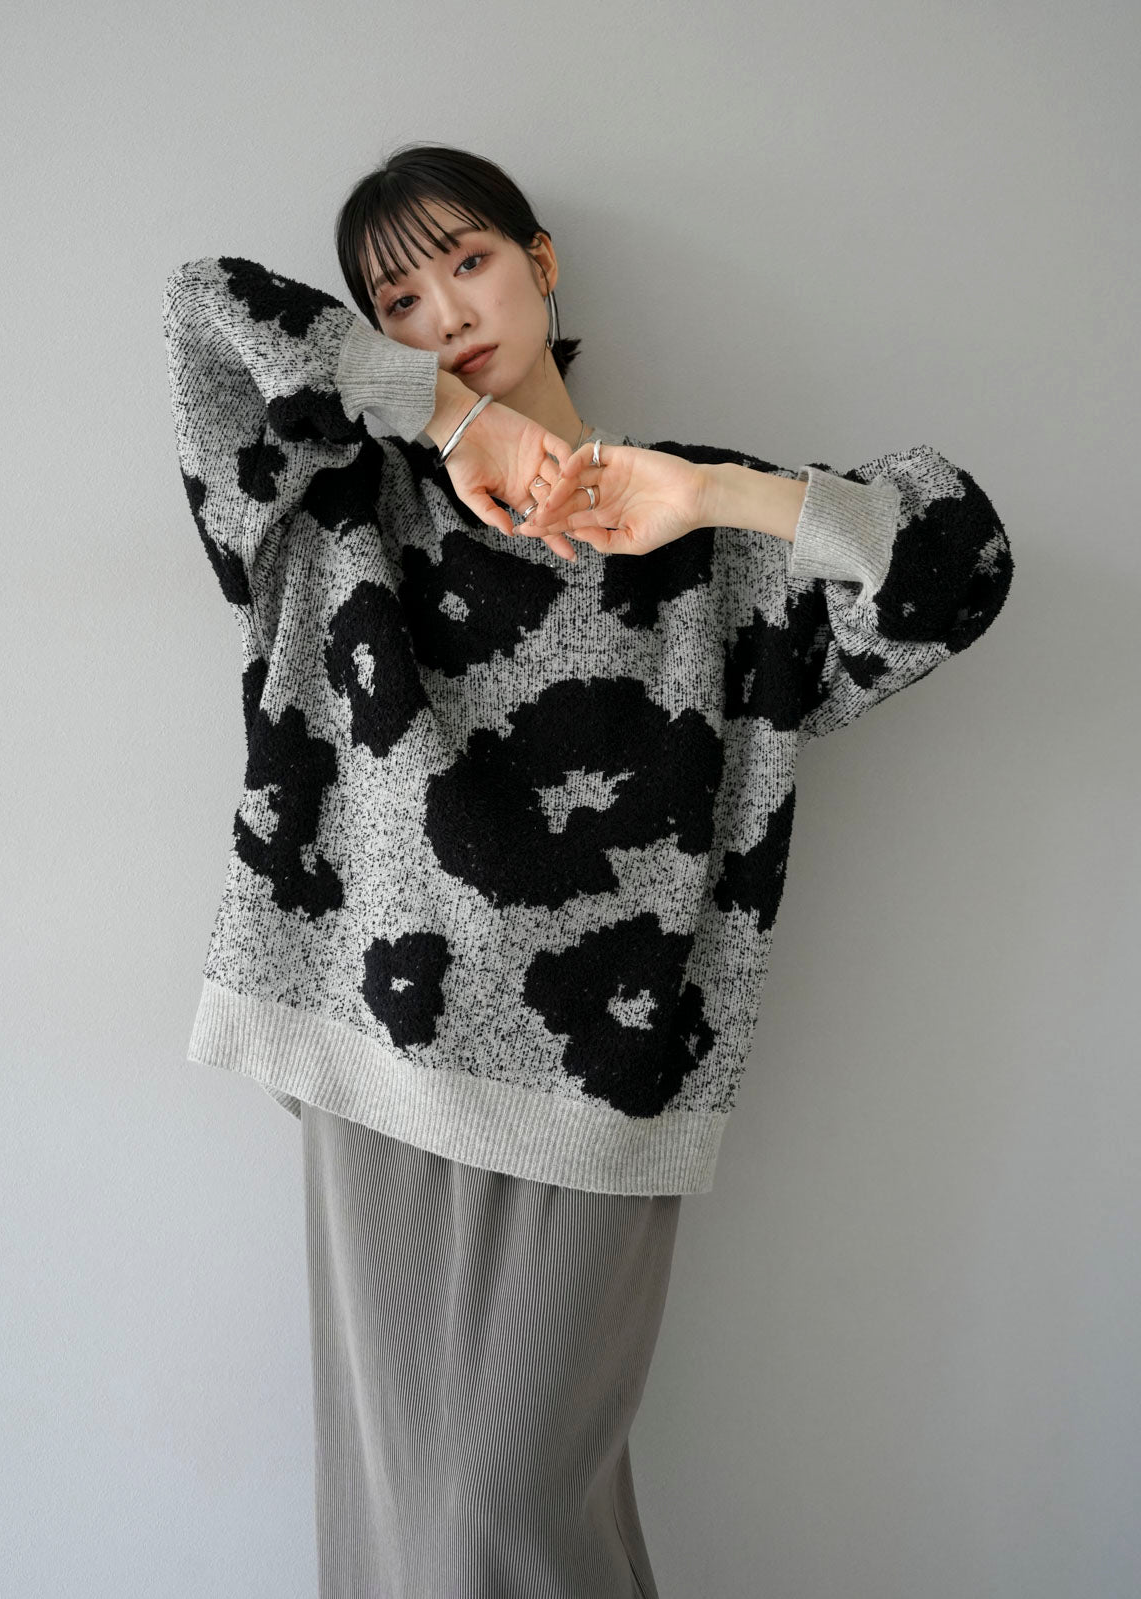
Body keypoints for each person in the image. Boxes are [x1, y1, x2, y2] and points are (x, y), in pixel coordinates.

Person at [161, 140, 1013, 1599]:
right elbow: (203, 308)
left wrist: (717, 495)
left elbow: (958, 566)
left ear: (541, 264)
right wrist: (446, 421)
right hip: (371, 1043)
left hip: (606, 1077)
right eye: (399, 300)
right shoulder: (340, 507)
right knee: (404, 1516)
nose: (446, 313)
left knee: (500, 1506)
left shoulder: (712, 543)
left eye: (470, 264)